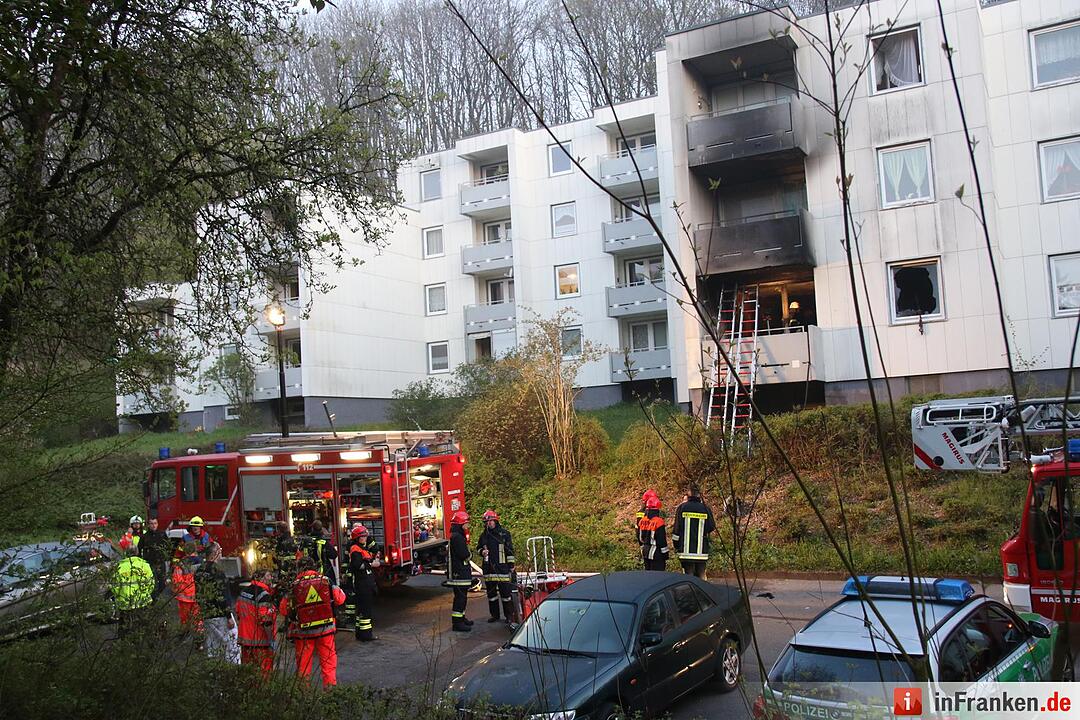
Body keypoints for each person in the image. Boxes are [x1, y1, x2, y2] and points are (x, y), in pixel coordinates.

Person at [280, 556, 346, 688]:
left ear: (299, 569)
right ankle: (330, 690)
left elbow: (283, 609)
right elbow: (340, 599)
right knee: (328, 663)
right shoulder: (326, 581)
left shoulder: (294, 585)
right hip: (325, 629)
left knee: (303, 666)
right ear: (314, 567)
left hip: (303, 633)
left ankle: (304, 692)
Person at [195, 543, 237, 662]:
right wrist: (229, 616)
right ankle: (231, 668)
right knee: (231, 645)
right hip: (220, 615)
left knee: (212, 645)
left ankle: (213, 668)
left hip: (207, 614)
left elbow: (198, 594)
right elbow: (222, 595)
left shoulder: (199, 570)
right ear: (215, 553)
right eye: (220, 551)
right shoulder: (217, 571)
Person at [236, 567, 278, 678]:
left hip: (245, 641)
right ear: (261, 578)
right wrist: (271, 640)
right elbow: (265, 620)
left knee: (248, 674)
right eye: (268, 575)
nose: (271, 578)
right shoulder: (263, 595)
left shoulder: (244, 592)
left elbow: (238, 612)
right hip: (260, 641)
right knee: (264, 674)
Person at [477, 509, 516, 626]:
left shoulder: (504, 534)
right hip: (488, 569)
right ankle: (494, 615)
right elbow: (478, 548)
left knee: (506, 595)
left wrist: (511, 565)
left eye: (491, 521)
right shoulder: (483, 536)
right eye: (487, 522)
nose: (489, 523)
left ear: (496, 521)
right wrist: (482, 552)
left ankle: (509, 616)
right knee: (492, 595)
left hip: (502, 569)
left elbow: (509, 550)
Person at [671, 487, 716, 578]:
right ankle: (701, 587)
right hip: (701, 552)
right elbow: (711, 526)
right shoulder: (705, 508)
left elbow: (676, 530)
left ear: (688, 495)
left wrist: (676, 545)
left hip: (685, 552)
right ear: (699, 495)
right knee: (701, 575)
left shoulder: (682, 508)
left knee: (688, 576)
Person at [346, 524, 380, 642]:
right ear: (357, 538)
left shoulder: (361, 548)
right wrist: (371, 564)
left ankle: (360, 633)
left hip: (365, 583)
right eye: (363, 536)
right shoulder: (356, 549)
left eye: (365, 536)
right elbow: (357, 565)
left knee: (361, 610)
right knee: (365, 611)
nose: (365, 538)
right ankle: (366, 635)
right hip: (362, 584)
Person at [111, 546, 155, 636]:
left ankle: (125, 642)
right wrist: (146, 594)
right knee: (142, 627)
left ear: (126, 554)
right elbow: (151, 584)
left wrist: (119, 597)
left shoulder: (120, 567)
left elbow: (115, 587)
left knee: (125, 628)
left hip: (125, 604)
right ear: (137, 553)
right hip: (142, 602)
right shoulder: (145, 565)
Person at [447, 510, 474, 632]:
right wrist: (470, 555)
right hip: (459, 573)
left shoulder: (457, 536)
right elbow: (464, 554)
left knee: (462, 597)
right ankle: (457, 623)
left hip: (460, 572)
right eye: (466, 523)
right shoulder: (457, 538)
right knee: (460, 598)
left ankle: (461, 618)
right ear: (460, 524)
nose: (467, 526)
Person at [138, 517, 171, 599]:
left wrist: (167, 558)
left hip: (161, 562)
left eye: (155, 523)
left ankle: (160, 599)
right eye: (151, 523)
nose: (153, 525)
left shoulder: (162, 534)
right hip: (150, 563)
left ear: (157, 524)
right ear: (148, 525)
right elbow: (139, 549)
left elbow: (168, 547)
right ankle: (153, 600)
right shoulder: (144, 537)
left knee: (163, 583)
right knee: (153, 583)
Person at [637, 495, 669, 571]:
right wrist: (665, 554)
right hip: (656, 554)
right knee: (658, 576)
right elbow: (662, 540)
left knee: (648, 575)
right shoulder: (659, 522)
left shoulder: (642, 520)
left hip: (645, 552)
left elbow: (639, 537)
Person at [307, 520, 338, 587]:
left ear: (312, 529)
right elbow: (334, 555)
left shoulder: (307, 541)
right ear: (322, 529)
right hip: (325, 571)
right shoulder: (324, 542)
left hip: (309, 572)